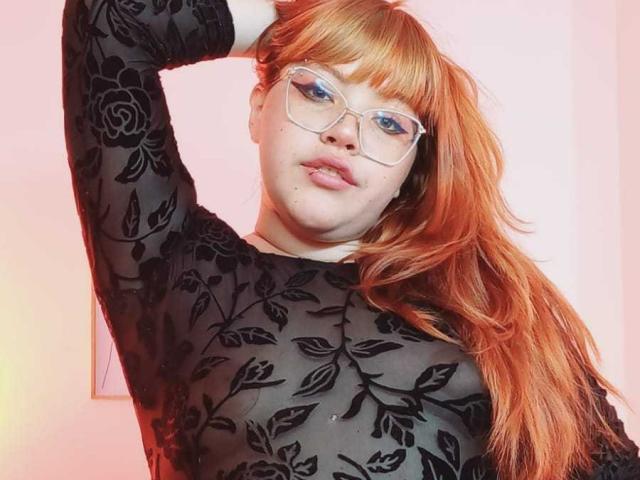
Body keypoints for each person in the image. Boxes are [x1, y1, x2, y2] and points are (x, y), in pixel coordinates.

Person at [61, 0, 640, 478]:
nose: (345, 132)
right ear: (259, 108)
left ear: (409, 171)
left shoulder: (493, 307)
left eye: (389, 123)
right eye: (317, 90)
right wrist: (310, 22)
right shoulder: (169, 266)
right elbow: (111, 17)